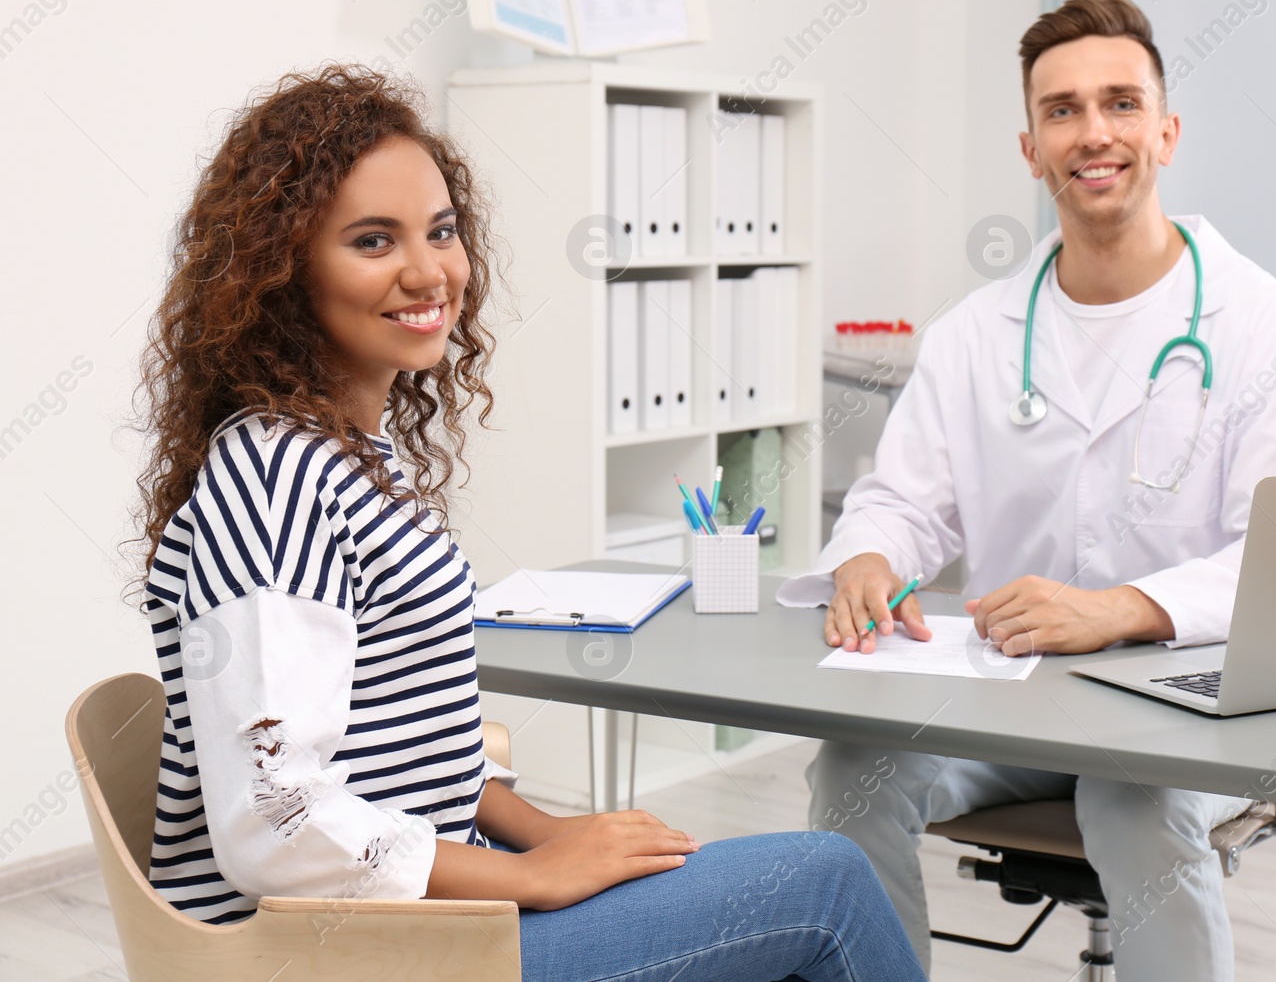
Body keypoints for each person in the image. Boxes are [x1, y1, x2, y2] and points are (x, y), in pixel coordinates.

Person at [134, 63, 925, 982]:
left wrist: (553, 832)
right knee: (822, 883)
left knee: (732, 882)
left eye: (440, 231)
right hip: (354, 958)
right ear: (282, 272)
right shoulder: (275, 480)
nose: (428, 270)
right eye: (372, 241)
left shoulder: (346, 457)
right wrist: (540, 874)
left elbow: (410, 748)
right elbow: (270, 819)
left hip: (409, 923)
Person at [775, 0, 1276, 980]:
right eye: (1062, 110)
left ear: (1164, 131)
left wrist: (1117, 610)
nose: (1093, 131)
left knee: (1136, 798)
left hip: (1189, 700)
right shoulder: (972, 334)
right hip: (1018, 700)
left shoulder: (1271, 327)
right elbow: (903, 500)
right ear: (1029, 147)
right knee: (849, 770)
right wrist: (869, 555)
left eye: (1120, 103)